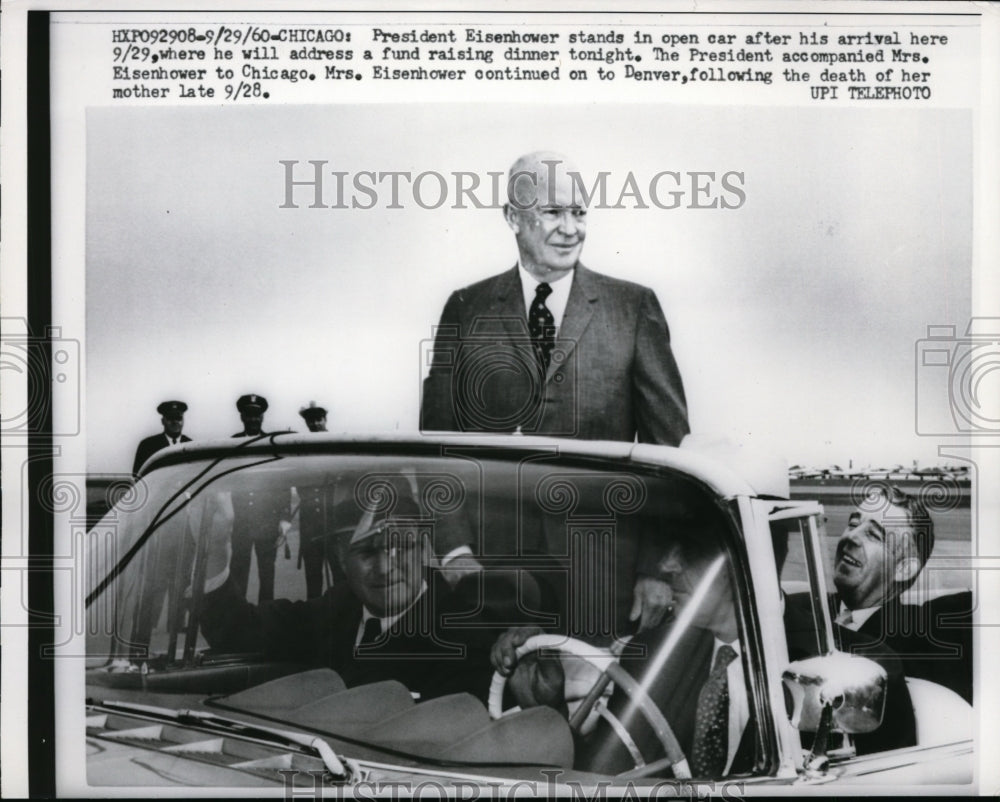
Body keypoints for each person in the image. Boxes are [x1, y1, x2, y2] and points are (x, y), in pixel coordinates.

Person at [420, 152, 690, 633]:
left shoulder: (633, 308)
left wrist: (655, 568)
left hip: (607, 575)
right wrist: (454, 549)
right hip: (493, 577)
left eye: (579, 212)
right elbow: (438, 445)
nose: (571, 229)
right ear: (512, 217)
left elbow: (666, 453)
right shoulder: (465, 307)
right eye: (552, 212)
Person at [198, 494, 501, 703]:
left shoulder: (461, 628)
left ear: (423, 549)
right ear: (341, 560)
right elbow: (239, 631)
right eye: (367, 552)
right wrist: (217, 548)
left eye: (400, 547)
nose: (384, 568)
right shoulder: (338, 607)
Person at [493, 536, 754, 776]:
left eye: (691, 549)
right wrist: (548, 711)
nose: (667, 565)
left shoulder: (793, 659)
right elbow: (607, 776)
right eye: (670, 547)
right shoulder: (652, 654)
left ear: (746, 558)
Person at [827, 485, 972, 704]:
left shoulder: (918, 643)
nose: (852, 537)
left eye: (874, 535)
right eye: (853, 523)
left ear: (904, 569)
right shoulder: (797, 609)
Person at [229, 393, 289, 601]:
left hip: (267, 521)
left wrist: (285, 517)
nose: (253, 419)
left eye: (257, 416)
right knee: (238, 572)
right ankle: (239, 617)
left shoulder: (271, 443)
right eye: (249, 415)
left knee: (267, 573)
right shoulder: (232, 444)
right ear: (242, 418)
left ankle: (266, 616)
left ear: (262, 417)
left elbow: (282, 482)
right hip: (241, 522)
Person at [132, 400, 192, 476]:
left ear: (183, 421)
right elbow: (137, 476)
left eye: (178, 418)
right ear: (163, 421)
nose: (175, 422)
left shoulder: (190, 446)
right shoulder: (147, 446)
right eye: (170, 418)